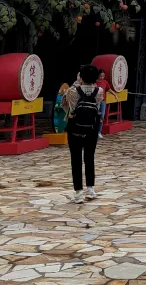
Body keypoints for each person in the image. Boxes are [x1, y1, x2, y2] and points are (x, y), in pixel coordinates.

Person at [62, 65, 104, 203]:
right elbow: (97, 106)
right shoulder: (99, 91)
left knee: (76, 159)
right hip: (91, 129)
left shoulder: (72, 91)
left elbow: (64, 106)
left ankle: (79, 192)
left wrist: (76, 83)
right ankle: (91, 189)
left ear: (81, 76)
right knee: (89, 158)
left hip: (74, 129)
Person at [94, 69, 113, 139]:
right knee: (95, 116)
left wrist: (115, 95)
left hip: (103, 101)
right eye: (100, 76)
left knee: (101, 116)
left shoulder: (105, 82)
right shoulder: (94, 82)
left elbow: (109, 89)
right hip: (95, 101)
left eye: (103, 76)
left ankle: (99, 131)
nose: (102, 77)